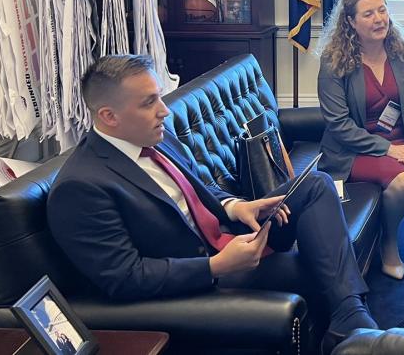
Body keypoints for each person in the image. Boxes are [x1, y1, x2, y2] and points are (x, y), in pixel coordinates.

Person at [48, 55, 377, 353]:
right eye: (149, 102)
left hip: (231, 236)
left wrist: (238, 206)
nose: (164, 110)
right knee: (321, 270)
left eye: (159, 97)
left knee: (316, 184)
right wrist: (217, 266)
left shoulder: (156, 138)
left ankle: (350, 319)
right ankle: (356, 326)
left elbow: (200, 190)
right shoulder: (80, 186)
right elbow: (124, 277)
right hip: (202, 276)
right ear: (109, 116)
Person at [315, 0, 404, 280]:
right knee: (403, 184)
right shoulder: (333, 62)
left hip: (403, 141)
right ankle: (389, 242)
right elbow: (339, 124)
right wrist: (389, 150)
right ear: (350, 22)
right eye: (368, 13)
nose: (379, 19)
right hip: (355, 149)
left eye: (382, 10)